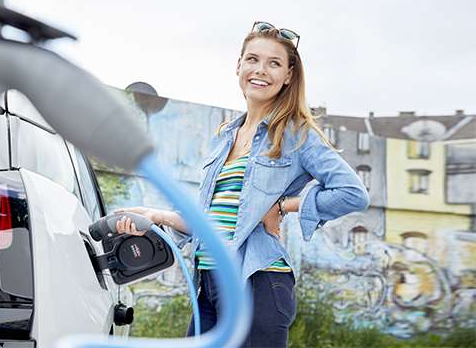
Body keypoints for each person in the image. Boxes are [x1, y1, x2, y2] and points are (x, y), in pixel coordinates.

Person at [115, 21, 369, 347]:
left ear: (289, 75)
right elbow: (211, 220)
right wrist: (155, 216)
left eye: (274, 63)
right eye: (252, 59)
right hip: (209, 281)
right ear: (238, 65)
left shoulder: (295, 133)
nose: (260, 70)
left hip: (257, 282)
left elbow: (353, 193)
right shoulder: (225, 137)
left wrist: (283, 206)